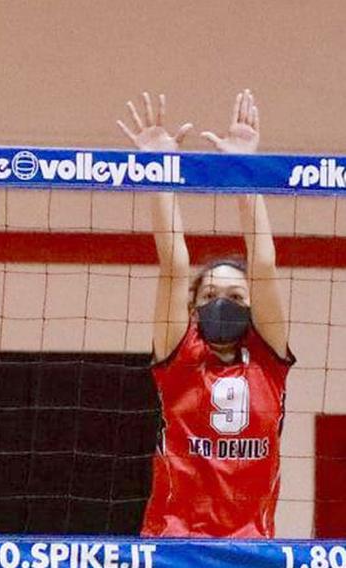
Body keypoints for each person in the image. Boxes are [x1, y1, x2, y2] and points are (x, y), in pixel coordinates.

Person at [118, 90, 294, 538]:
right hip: (174, 546)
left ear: (253, 308)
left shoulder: (268, 357)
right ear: (194, 308)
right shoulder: (179, 351)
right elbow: (175, 266)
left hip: (250, 552)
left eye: (236, 297)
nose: (222, 304)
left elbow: (265, 264)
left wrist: (243, 172)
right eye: (212, 294)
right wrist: (160, 169)